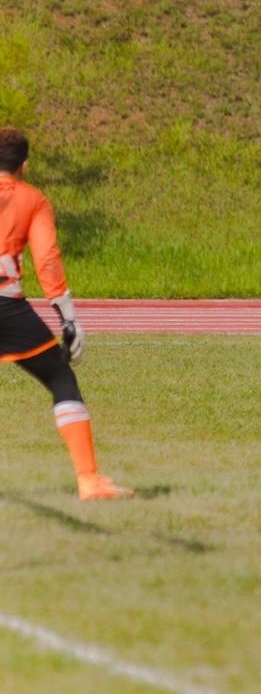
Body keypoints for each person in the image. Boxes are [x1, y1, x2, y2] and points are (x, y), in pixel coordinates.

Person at [0, 128, 133, 500]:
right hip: (6, 307)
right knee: (61, 379)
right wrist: (68, 317)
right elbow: (46, 259)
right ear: (24, 165)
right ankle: (88, 480)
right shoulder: (32, 199)